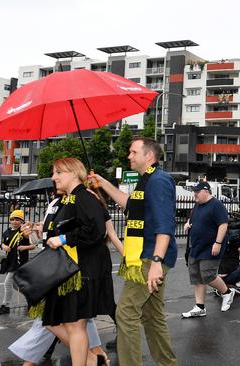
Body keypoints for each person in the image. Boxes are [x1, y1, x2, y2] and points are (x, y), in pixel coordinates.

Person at [89, 137, 178, 366]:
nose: (129, 156)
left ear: (149, 156)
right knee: (152, 316)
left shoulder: (158, 181)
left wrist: (156, 262)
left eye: (133, 152)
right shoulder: (147, 180)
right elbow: (130, 204)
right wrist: (103, 183)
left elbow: (165, 224)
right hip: (145, 256)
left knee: (126, 314)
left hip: (149, 257)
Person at [33, 157, 114, 366]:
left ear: (72, 173)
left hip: (83, 270)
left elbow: (97, 230)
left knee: (75, 324)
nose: (53, 177)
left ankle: (87, 359)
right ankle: (90, 358)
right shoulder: (69, 199)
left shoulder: (84, 197)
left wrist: (63, 238)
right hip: (72, 269)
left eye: (58, 173)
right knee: (65, 323)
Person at [182, 181, 235, 317]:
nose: (195, 194)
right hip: (197, 246)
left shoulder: (216, 205)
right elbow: (193, 219)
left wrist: (217, 243)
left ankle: (227, 293)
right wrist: (188, 224)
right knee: (196, 276)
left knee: (207, 274)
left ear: (206, 191)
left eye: (197, 192)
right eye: (194, 191)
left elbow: (223, 224)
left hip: (210, 247)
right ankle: (200, 306)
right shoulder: (198, 205)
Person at [0, 209, 34, 315]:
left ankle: (5, 306)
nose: (14, 221)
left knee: (7, 283)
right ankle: (32, 302)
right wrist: (4, 246)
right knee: (18, 286)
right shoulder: (7, 232)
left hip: (19, 263)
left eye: (18, 219)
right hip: (10, 262)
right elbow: (2, 244)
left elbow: (33, 246)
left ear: (21, 221)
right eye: (12, 219)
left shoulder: (23, 232)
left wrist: (24, 247)